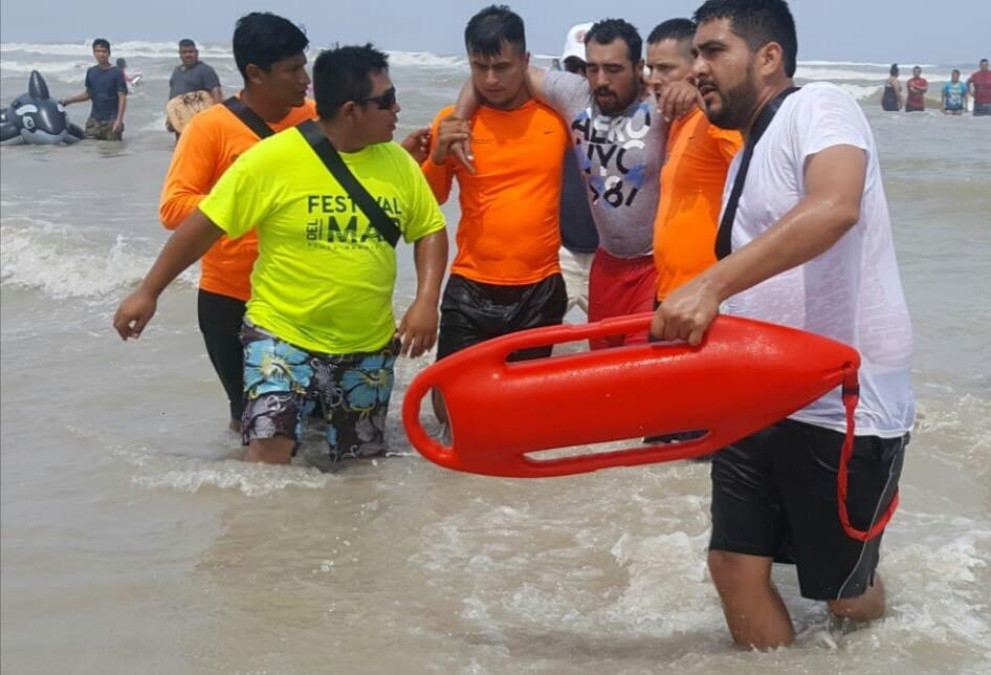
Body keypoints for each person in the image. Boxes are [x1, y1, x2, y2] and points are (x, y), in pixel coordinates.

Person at [654, 0, 914, 650]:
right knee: (732, 563)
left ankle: (894, 645)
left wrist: (709, 284)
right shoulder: (744, 155)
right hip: (758, 395)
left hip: (843, 403)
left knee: (842, 592)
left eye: (714, 50)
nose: (697, 67)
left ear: (769, 57)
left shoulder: (819, 106)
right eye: (695, 53)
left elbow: (835, 206)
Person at [114, 43, 448, 467]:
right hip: (281, 336)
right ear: (351, 110)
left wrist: (426, 300)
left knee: (360, 466)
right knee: (268, 453)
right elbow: (203, 226)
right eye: (386, 100)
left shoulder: (398, 164)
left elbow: (430, 229)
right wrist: (149, 291)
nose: (397, 109)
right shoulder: (270, 161)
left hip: (366, 345)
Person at [454, 19, 675, 349]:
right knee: (602, 361)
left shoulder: (661, 105)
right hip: (606, 263)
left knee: (637, 361)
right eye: (593, 68)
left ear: (638, 67)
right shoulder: (575, 94)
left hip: (652, 263)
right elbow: (497, 73)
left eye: (614, 69)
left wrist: (688, 88)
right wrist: (459, 118)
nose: (601, 80)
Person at [158, 12, 318, 430]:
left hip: (304, 296)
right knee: (250, 420)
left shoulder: (317, 121)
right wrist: (250, 202)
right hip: (230, 298)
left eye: (304, 66)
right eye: (292, 70)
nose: (305, 80)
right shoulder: (209, 128)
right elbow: (173, 208)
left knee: (316, 421)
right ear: (256, 73)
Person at [423, 6, 569, 424]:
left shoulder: (556, 118)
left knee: (518, 411)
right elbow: (429, 201)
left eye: (502, 67)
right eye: (479, 67)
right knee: (449, 404)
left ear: (525, 61)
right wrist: (437, 154)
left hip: (539, 286)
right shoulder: (453, 123)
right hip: (471, 282)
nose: (490, 79)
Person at [645, 18, 741, 308]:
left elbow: (755, 172)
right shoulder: (677, 120)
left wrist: (702, 98)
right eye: (650, 68)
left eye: (666, 69)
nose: (653, 79)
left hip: (705, 297)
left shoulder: (717, 120)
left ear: (696, 67)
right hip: (670, 290)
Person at [557, 22, 599, 316]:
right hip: (561, 254)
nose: (582, 77)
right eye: (574, 68)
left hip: (611, 259)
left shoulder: (638, 118)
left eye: (590, 68)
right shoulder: (549, 117)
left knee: (618, 340)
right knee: (535, 338)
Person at [59, 39, 127, 140]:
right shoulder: (91, 72)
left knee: (113, 149)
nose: (101, 54)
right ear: (94, 53)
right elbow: (88, 94)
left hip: (111, 121)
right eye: (98, 51)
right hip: (94, 121)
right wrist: (69, 101)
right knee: (89, 147)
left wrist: (119, 120)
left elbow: (122, 97)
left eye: (104, 51)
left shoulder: (117, 73)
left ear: (109, 53)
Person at [169, 39, 223, 104]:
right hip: (177, 109)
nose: (188, 55)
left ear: (197, 53)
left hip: (198, 109)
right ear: (180, 54)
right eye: (184, 52)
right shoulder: (177, 71)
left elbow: (217, 93)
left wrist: (218, 109)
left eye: (191, 52)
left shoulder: (205, 70)